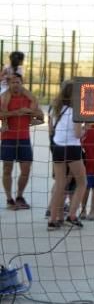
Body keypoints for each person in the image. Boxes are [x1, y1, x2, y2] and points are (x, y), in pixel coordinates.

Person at [47, 80, 87, 229]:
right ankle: (72, 215)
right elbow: (78, 134)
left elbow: (51, 131)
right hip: (72, 148)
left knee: (60, 184)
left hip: (57, 147)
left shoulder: (54, 108)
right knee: (82, 182)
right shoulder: (76, 111)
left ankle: (53, 219)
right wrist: (86, 128)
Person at [1, 73, 43, 209]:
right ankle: (9, 199)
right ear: (9, 84)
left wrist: (30, 113)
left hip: (24, 138)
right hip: (8, 138)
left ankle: (19, 196)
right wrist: (16, 112)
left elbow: (40, 115)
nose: (15, 85)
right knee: (7, 169)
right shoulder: (3, 98)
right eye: (13, 82)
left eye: (18, 82)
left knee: (25, 169)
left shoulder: (28, 98)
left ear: (21, 83)